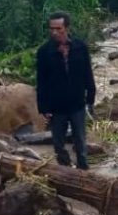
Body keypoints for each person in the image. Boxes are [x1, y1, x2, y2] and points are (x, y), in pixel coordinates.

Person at [36, 12, 96, 169]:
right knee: (58, 144)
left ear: (67, 28)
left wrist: (90, 98)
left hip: (77, 103)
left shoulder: (80, 47)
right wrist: (43, 108)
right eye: (52, 29)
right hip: (56, 107)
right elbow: (41, 81)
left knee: (81, 141)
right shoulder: (44, 52)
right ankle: (65, 170)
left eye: (58, 28)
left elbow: (87, 73)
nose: (54, 32)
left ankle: (84, 171)